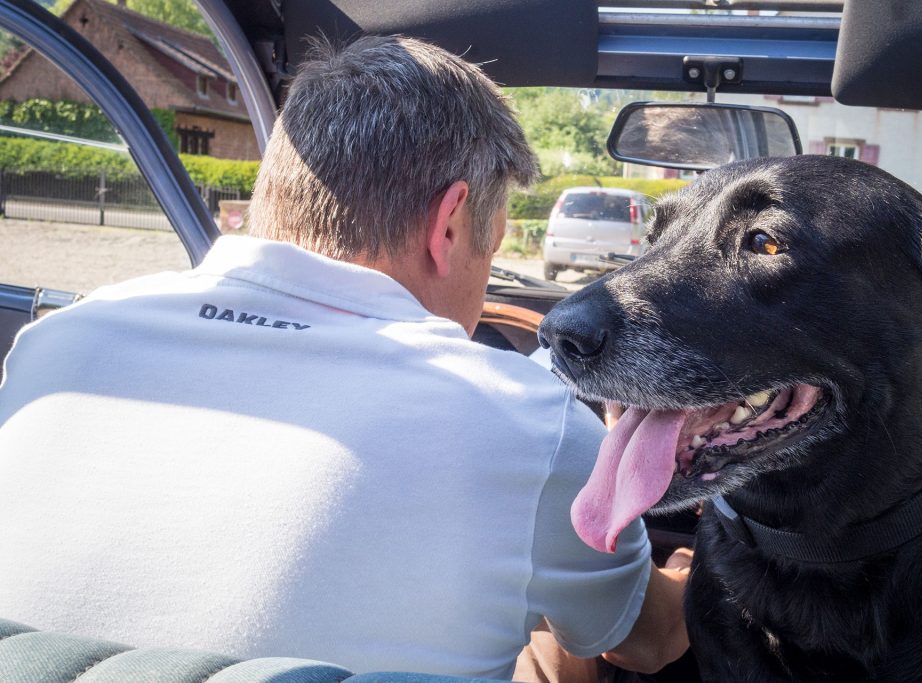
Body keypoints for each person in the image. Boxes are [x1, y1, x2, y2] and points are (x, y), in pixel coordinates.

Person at [0, 36, 687, 680]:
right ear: (450, 225)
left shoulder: (57, 345)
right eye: (492, 243)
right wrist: (701, 558)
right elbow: (651, 641)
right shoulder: (528, 423)